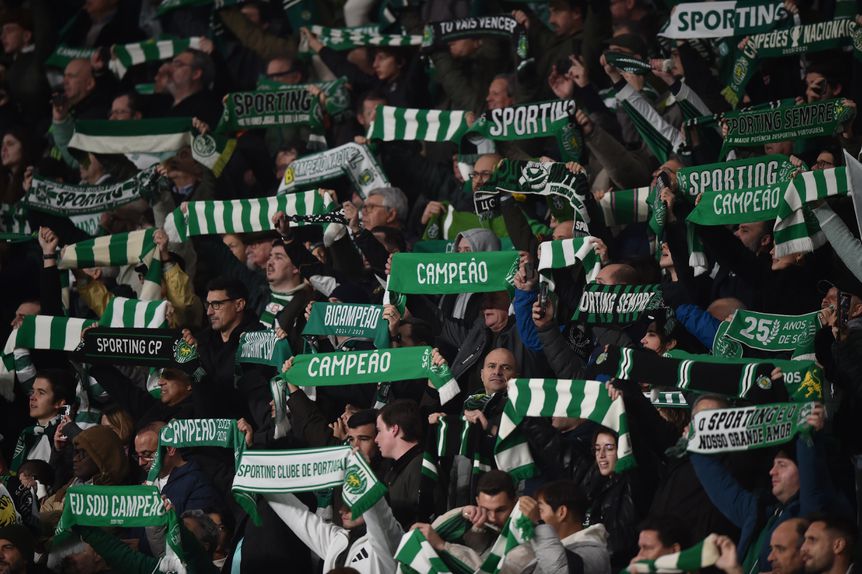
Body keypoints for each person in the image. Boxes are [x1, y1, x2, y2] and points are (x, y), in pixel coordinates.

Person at [413, 470, 535, 572]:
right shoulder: (483, 525)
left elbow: (489, 570)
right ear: (477, 502)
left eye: (500, 510)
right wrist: (465, 515)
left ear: (515, 503)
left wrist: (443, 546)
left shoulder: (525, 537)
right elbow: (476, 549)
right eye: (486, 509)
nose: (492, 518)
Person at [522, 479, 612, 574]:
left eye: (539, 510)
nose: (531, 517)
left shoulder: (594, 553)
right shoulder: (545, 547)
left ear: (561, 512)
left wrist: (539, 524)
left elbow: (560, 570)